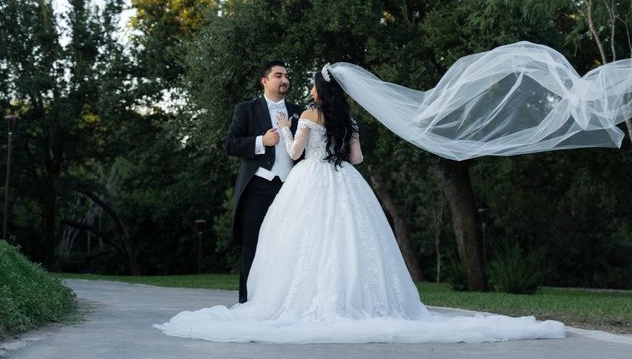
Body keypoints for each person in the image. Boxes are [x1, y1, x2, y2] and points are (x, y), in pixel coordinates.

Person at [156, 64, 565, 343]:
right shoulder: (347, 120)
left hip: (309, 182)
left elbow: (297, 154)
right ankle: (358, 300)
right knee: (349, 241)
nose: (300, 86)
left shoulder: (307, 115)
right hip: (345, 183)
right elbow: (357, 160)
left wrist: (286, 127)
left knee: (305, 245)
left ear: (319, 89)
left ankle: (291, 301)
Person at [223, 60, 304, 303]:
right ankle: (247, 304)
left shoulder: (299, 112)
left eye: (287, 76)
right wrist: (261, 141)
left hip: (290, 189)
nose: (284, 80)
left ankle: (283, 303)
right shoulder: (246, 109)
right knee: (252, 246)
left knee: (289, 247)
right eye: (278, 75)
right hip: (257, 188)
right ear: (264, 81)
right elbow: (230, 144)